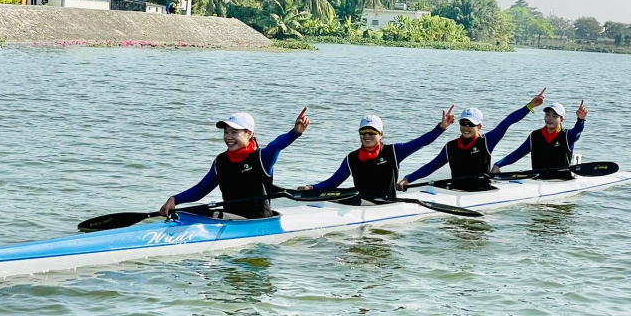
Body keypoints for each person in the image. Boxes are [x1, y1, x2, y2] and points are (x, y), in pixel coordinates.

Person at [158, 108, 311, 220]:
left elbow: (276, 145)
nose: (228, 137)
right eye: (226, 132)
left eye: (234, 132)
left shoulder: (262, 158)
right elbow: (201, 189)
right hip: (231, 218)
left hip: (257, 221)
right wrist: (175, 200)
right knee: (191, 212)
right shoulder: (221, 161)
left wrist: (295, 133)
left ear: (249, 134)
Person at [398, 89, 547, 191]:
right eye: (463, 123)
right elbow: (431, 167)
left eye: (470, 124)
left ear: (479, 126)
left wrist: (530, 106)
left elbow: (507, 121)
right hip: (456, 190)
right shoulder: (451, 147)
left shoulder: (487, 141)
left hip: (482, 192)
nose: (466, 128)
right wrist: (408, 179)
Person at [299, 106, 456, 200]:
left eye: (372, 132)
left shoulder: (394, 152)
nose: (367, 136)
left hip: (387, 204)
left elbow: (420, 142)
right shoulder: (351, 158)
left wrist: (441, 127)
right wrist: (312, 188)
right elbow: (333, 183)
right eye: (364, 132)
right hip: (362, 202)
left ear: (381, 135)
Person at [491, 101, 588, 180]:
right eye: (547, 114)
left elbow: (577, 131)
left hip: (561, 180)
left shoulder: (568, 136)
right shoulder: (535, 136)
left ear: (562, 119)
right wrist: (498, 164)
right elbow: (518, 154)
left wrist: (580, 120)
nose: (550, 118)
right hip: (539, 180)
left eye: (554, 116)